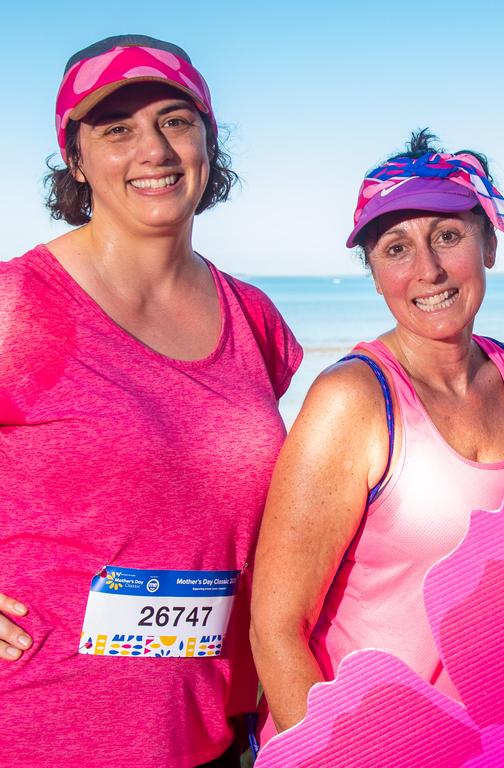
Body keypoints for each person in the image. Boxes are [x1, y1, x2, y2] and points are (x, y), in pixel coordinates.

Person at [0, 35, 301, 767]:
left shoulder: (252, 316)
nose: (154, 150)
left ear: (207, 139)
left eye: (175, 120)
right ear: (75, 159)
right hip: (37, 723)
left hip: (206, 732)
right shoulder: (18, 304)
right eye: (117, 129)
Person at [250, 131, 504, 744]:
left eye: (448, 236)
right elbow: (275, 628)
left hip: (480, 744)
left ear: (488, 243)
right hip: (358, 744)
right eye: (396, 248)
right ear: (375, 274)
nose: (428, 270)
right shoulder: (352, 401)